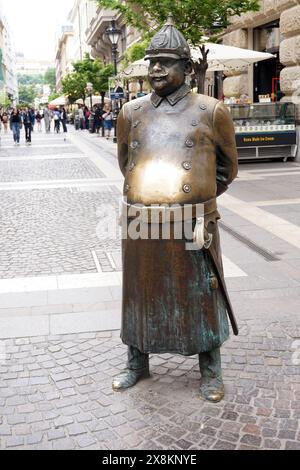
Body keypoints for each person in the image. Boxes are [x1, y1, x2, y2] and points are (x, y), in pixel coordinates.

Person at [113, 15, 239, 403]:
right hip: (142, 220)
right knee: (140, 292)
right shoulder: (131, 113)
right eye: (152, 61)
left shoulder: (211, 111)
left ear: (186, 67)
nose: (155, 69)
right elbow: (125, 162)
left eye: (165, 62)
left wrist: (194, 198)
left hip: (192, 220)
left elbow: (227, 169)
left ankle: (211, 369)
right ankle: (137, 360)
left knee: (201, 291)